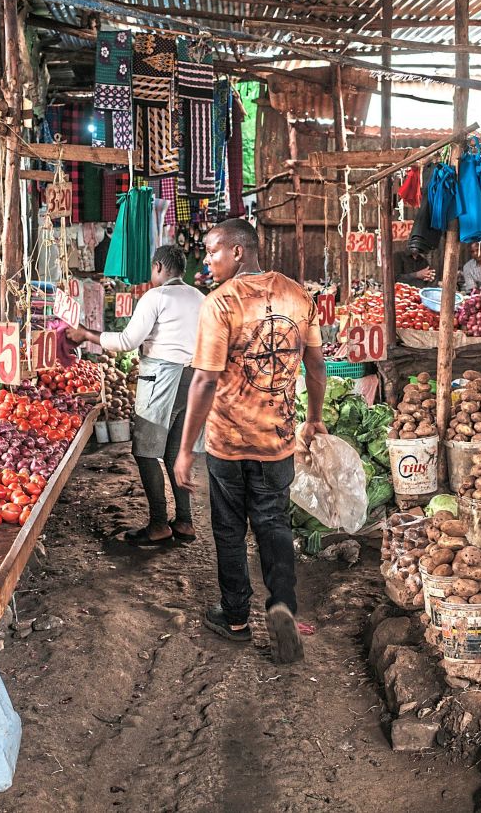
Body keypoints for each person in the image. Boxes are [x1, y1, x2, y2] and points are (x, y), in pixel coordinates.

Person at [173, 218, 327, 665]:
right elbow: (317, 367)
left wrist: (185, 449)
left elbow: (203, 381)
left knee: (228, 529)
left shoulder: (221, 303)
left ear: (238, 252)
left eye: (212, 251)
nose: (206, 259)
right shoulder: (298, 295)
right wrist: (314, 418)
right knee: (274, 523)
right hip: (277, 441)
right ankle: (282, 605)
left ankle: (235, 616)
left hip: (227, 442)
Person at [66, 246, 204, 545]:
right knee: (173, 453)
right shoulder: (198, 297)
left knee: (144, 452)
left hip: (162, 379)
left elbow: (128, 341)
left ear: (158, 267)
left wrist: (87, 334)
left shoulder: (156, 297)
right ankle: (184, 521)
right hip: (193, 379)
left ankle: (158, 524)